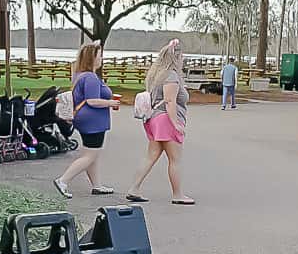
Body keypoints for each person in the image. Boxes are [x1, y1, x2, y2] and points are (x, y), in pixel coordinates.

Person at [127, 40, 193, 205]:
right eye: (182, 57)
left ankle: (134, 188)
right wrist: (176, 123)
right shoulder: (171, 76)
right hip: (166, 120)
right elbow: (170, 101)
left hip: (154, 119)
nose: (183, 60)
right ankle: (177, 194)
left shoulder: (157, 75)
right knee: (175, 159)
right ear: (176, 58)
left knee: (151, 156)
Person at [53, 41, 118, 199]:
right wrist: (111, 102)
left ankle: (96, 185)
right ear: (92, 58)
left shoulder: (79, 75)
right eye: (99, 55)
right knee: (90, 155)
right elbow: (92, 100)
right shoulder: (91, 78)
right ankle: (63, 180)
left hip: (85, 120)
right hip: (93, 121)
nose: (101, 58)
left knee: (91, 154)